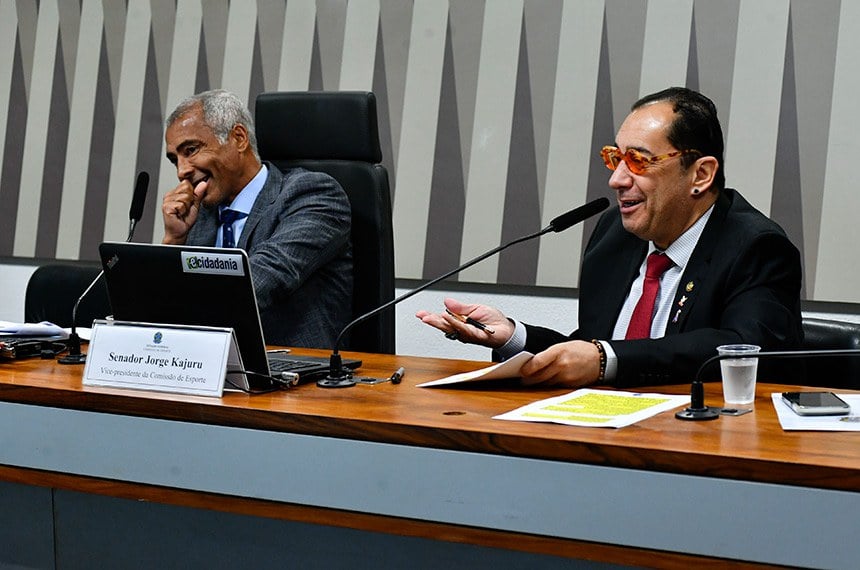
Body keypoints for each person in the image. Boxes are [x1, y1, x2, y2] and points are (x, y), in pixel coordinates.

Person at [417, 87, 803, 388]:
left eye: (638, 161)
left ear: (700, 174)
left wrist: (604, 359)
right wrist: (515, 337)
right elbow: (592, 346)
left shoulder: (755, 246)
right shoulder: (615, 236)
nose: (617, 179)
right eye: (614, 158)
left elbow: (744, 350)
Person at [161, 89, 352, 349]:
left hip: (290, 374)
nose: (182, 171)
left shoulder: (314, 195)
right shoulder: (201, 214)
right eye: (175, 160)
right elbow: (162, 308)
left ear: (239, 139)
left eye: (191, 150)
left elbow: (261, 279)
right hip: (204, 368)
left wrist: (178, 301)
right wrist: (175, 240)